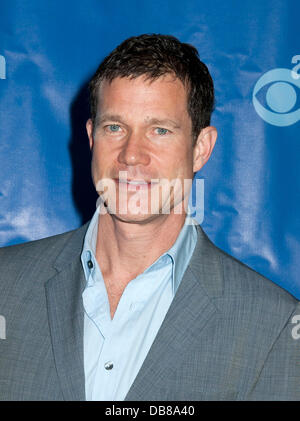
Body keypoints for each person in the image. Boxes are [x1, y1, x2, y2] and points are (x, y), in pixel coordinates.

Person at [0, 34, 299, 401]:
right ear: (92, 137)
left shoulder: (273, 325)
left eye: (159, 130)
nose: (131, 155)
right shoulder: (5, 285)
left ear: (200, 148)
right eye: (115, 127)